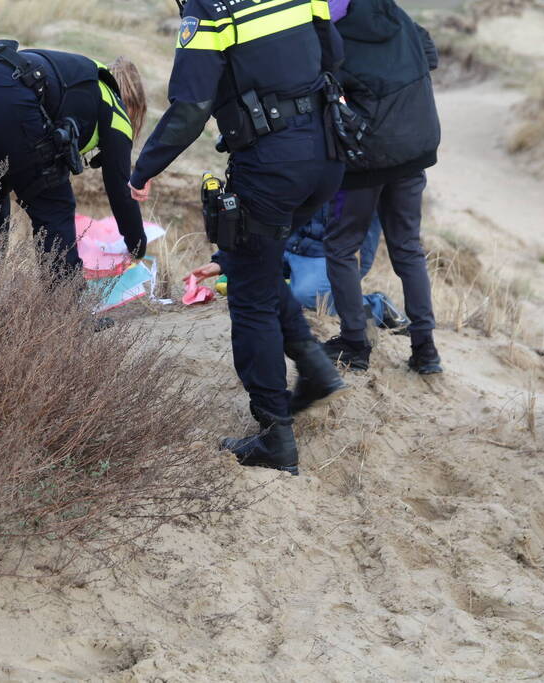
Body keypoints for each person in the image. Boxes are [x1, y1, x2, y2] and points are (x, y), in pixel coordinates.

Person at [131, 0, 348, 475]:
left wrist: (144, 169)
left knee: (250, 298)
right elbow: (334, 55)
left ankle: (276, 437)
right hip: (328, 156)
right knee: (256, 265)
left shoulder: (208, 12)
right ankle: (314, 368)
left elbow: (190, 108)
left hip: (272, 165)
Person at [321, 0, 444, 374]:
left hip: (365, 154)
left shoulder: (327, 31)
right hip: (415, 145)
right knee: (408, 247)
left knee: (341, 247)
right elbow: (430, 56)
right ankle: (426, 351)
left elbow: (315, 84)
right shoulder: (394, 14)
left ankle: (355, 345)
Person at [0, 42, 148, 275]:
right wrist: (137, 246)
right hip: (7, 95)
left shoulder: (80, 79)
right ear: (134, 106)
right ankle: (65, 305)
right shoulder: (115, 107)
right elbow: (120, 190)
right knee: (54, 207)